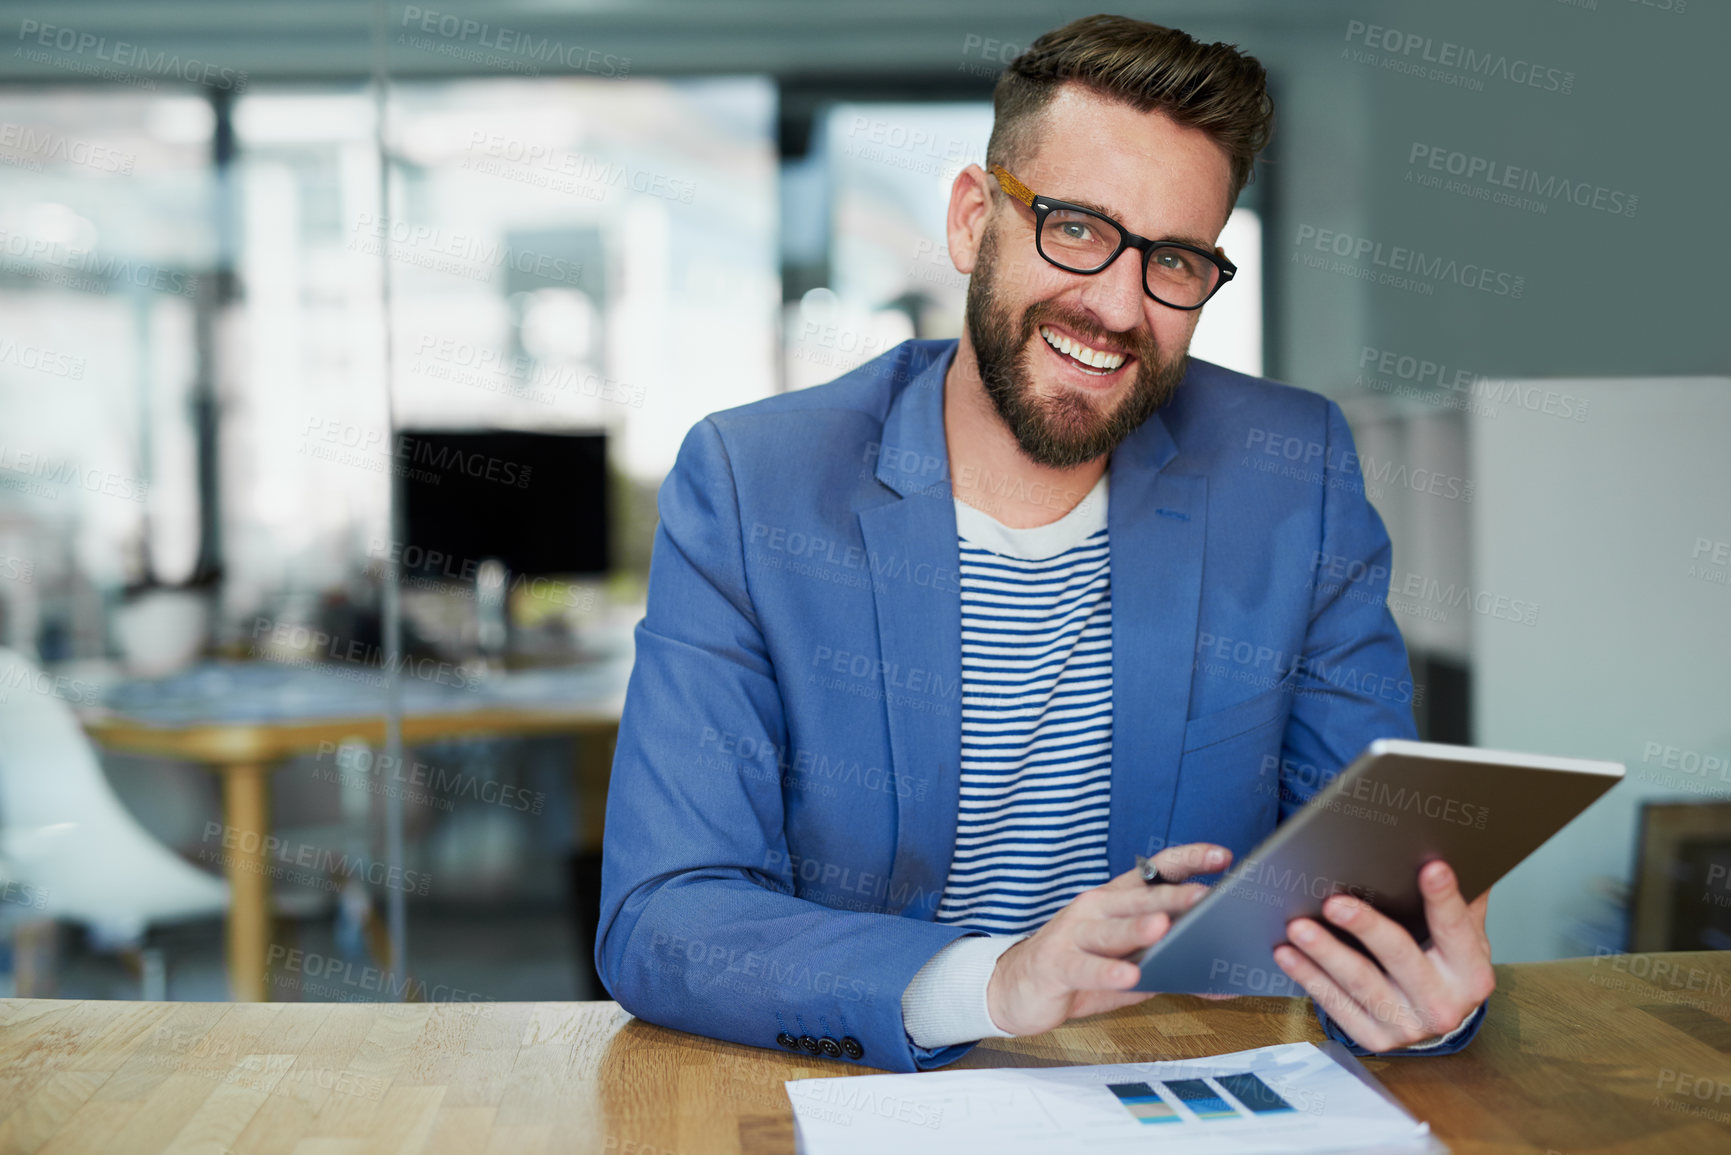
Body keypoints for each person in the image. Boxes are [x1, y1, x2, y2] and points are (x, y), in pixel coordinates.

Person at [596, 14, 1493, 1073]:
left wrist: (1425, 996)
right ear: (975, 219)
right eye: (1075, 228)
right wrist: (995, 982)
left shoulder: (1292, 470)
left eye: (1174, 260)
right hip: (862, 1091)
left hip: (1178, 1093)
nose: (1118, 305)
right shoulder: (757, 486)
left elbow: (1367, 879)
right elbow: (666, 917)